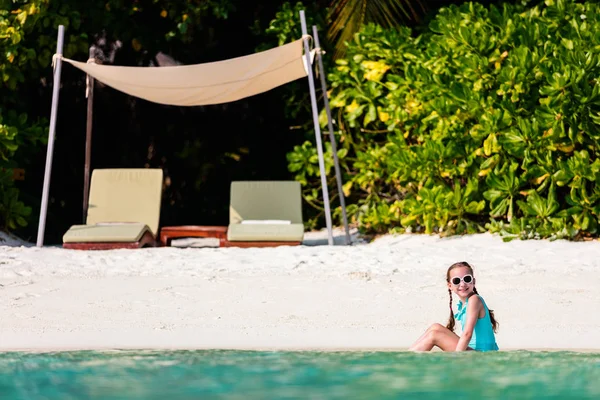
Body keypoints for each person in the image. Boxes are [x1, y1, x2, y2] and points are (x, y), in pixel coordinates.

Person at [408, 261, 499, 352]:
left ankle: (406, 360)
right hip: (474, 351)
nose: (462, 284)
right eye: (456, 281)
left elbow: (467, 334)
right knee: (435, 327)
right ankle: (408, 354)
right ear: (450, 285)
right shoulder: (465, 303)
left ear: (473, 281)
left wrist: (457, 357)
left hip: (481, 354)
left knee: (434, 334)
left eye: (467, 279)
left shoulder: (474, 300)